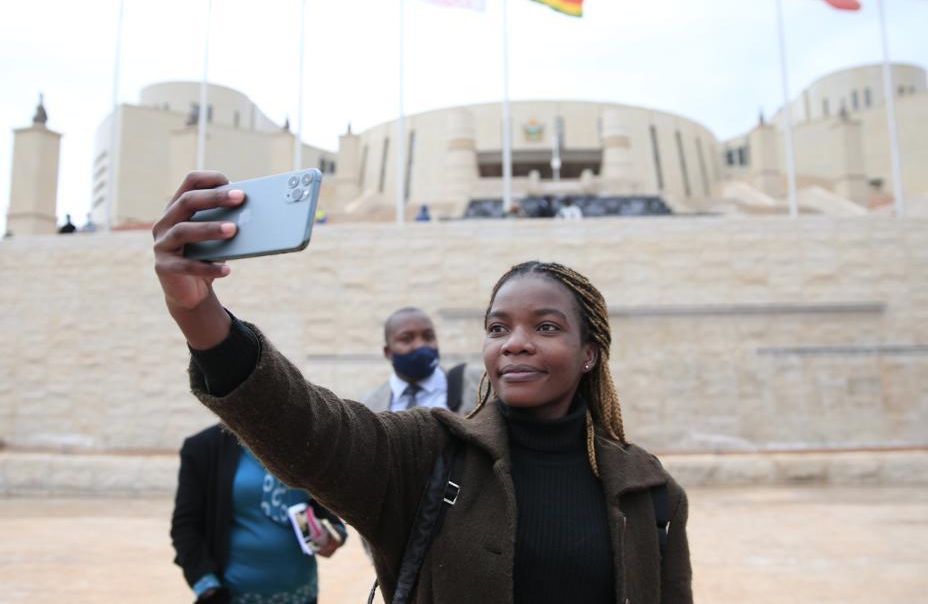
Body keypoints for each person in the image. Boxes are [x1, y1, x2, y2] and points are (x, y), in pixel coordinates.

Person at [153, 171, 692, 604]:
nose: (515, 344)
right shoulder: (428, 454)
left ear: (589, 354)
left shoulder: (650, 492)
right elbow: (306, 428)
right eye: (498, 328)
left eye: (546, 327)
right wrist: (198, 312)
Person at [171, 424, 347, 604]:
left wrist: (333, 535)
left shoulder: (304, 444)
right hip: (233, 597)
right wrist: (208, 587)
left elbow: (325, 507)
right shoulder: (205, 446)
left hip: (303, 595)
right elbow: (185, 526)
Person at [361, 307, 483, 415]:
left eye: (428, 337)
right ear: (388, 352)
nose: (420, 345)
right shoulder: (369, 405)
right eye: (407, 339)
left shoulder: (477, 383)